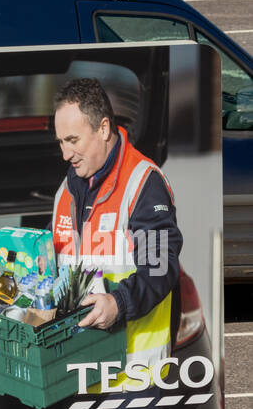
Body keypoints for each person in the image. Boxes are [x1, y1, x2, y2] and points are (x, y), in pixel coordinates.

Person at [52, 78, 181, 389]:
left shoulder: (142, 184)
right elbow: (57, 260)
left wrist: (118, 303)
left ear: (104, 128)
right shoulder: (66, 190)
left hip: (134, 377)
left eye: (73, 140)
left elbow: (160, 269)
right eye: (60, 142)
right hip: (80, 374)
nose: (65, 154)